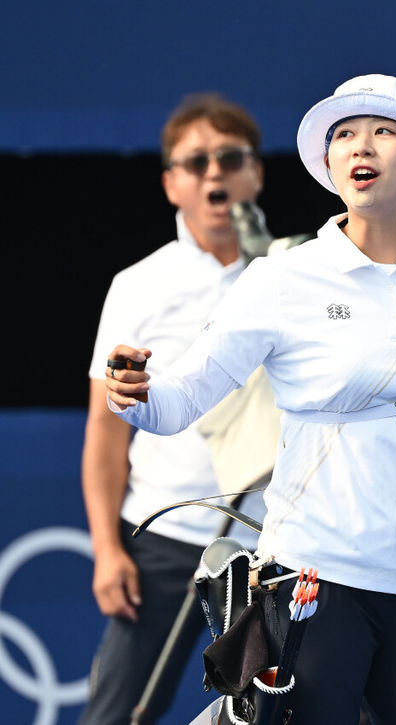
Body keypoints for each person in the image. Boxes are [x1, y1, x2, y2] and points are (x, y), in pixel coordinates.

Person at [103, 74, 396, 725]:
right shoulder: (280, 278)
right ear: (328, 163)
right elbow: (179, 401)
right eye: (345, 134)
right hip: (312, 584)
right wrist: (134, 395)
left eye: (384, 131)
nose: (363, 146)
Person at [81, 93, 270, 724]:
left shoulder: (293, 275)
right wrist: (108, 549)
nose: (215, 172)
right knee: (119, 714)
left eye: (231, 157)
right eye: (196, 162)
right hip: (162, 538)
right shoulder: (139, 286)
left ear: (256, 173)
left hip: (269, 542)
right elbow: (106, 435)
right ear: (171, 184)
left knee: (281, 710)